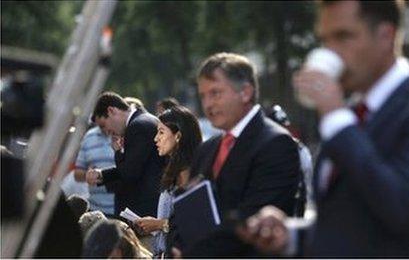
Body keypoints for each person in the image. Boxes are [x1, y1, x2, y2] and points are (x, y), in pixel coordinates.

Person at [239, 0, 409, 257]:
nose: (331, 51)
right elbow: (347, 223)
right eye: (325, 39)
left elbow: (402, 209)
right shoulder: (349, 111)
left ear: (386, 35)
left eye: (343, 36)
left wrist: (336, 118)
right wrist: (292, 235)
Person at [186, 52, 300, 256]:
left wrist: (194, 250)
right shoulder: (205, 150)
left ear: (245, 92)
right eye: (203, 96)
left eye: (216, 93)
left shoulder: (276, 143)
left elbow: (254, 220)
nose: (208, 104)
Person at [134, 105, 202, 257]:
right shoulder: (174, 169)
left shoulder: (189, 172)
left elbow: (193, 220)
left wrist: (158, 224)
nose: (156, 138)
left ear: (178, 136)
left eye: (161, 132)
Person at [86, 92, 165, 218]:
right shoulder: (141, 121)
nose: (107, 132)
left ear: (111, 111)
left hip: (143, 214)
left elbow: (129, 174)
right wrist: (102, 175)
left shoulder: (138, 126)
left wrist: (118, 152)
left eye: (103, 125)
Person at [265, 104, 314, 217]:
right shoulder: (260, 147)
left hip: (294, 201)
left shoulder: (298, 147)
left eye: (282, 126)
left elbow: (307, 172)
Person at [73, 117, 115, 217]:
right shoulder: (89, 136)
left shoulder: (124, 134)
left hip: (119, 208)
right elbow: (77, 174)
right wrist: (90, 174)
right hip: (94, 209)